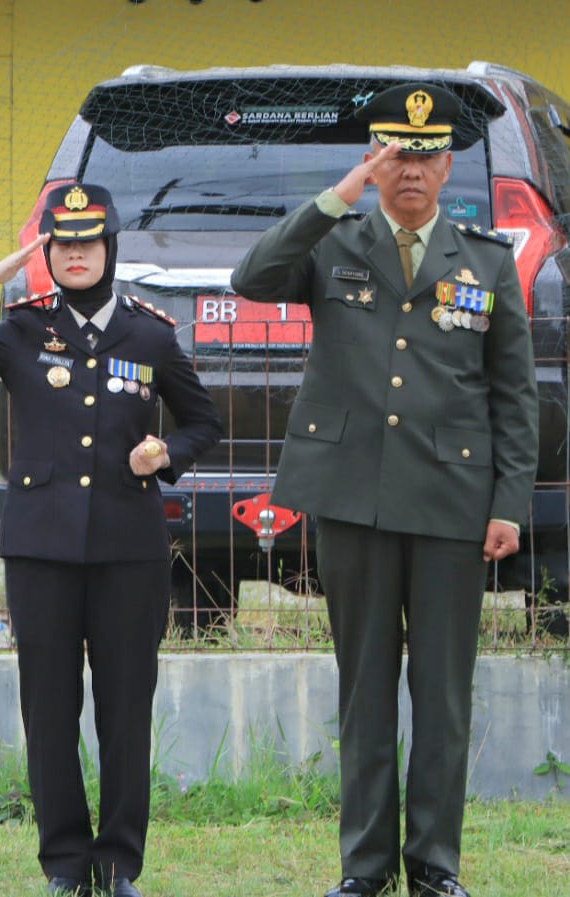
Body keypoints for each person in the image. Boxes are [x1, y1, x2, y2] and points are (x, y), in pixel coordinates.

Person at [230, 84, 537, 897]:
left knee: (440, 694)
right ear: (376, 159)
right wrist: (336, 196)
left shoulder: (485, 260)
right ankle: (363, 866)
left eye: (425, 156)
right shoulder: (335, 241)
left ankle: (434, 864)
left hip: (450, 501)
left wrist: (507, 501)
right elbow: (251, 276)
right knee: (364, 689)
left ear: (446, 167)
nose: (411, 170)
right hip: (352, 496)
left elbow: (514, 395)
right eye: (395, 154)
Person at [0, 183, 221, 897]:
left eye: (88, 241)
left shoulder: (149, 333)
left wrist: (164, 453)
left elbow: (202, 422)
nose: (75, 254)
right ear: (46, 252)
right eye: (62, 244)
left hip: (127, 551)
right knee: (48, 711)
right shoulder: (21, 329)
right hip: (40, 549)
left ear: (109, 247)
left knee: (123, 710)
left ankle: (117, 865)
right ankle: (62, 864)